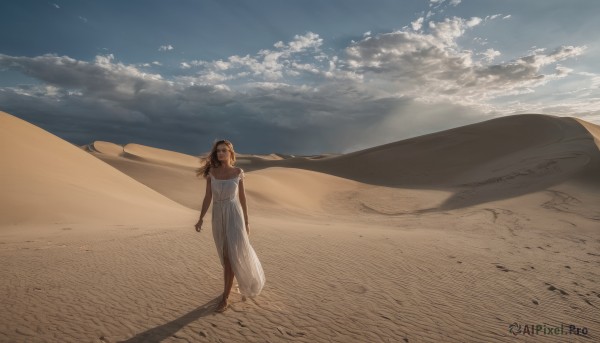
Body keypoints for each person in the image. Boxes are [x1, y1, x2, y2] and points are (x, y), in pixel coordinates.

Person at [194, 139, 265, 313]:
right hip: (218, 216)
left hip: (234, 215)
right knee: (224, 254)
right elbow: (207, 197)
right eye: (218, 151)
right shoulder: (212, 172)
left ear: (231, 153)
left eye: (224, 150)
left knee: (231, 256)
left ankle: (225, 298)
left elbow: (242, 198)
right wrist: (201, 218)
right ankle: (229, 286)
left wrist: (246, 222)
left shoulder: (238, 172)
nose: (220, 153)